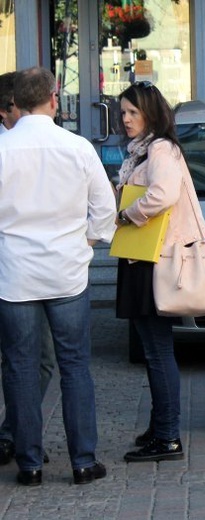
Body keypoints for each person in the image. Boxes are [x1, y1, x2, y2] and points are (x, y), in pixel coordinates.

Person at [0, 66, 116, 485]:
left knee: (19, 368)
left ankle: (29, 464)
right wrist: (87, 241)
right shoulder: (78, 147)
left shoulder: (3, 148)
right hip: (66, 272)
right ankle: (83, 460)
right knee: (74, 366)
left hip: (15, 273)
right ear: (54, 99)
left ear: (16, 101)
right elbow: (105, 211)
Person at [114, 80, 205, 462]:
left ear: (151, 114)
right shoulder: (142, 152)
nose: (125, 119)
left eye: (133, 113)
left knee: (157, 351)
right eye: (122, 112)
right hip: (143, 259)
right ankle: (160, 427)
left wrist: (127, 214)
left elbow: (162, 195)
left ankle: (168, 436)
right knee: (154, 349)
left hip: (157, 262)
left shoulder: (160, 149)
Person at [0, 72, 57, 468]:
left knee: (28, 361)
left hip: (18, 270)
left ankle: (15, 437)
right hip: (19, 271)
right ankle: (18, 441)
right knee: (35, 361)